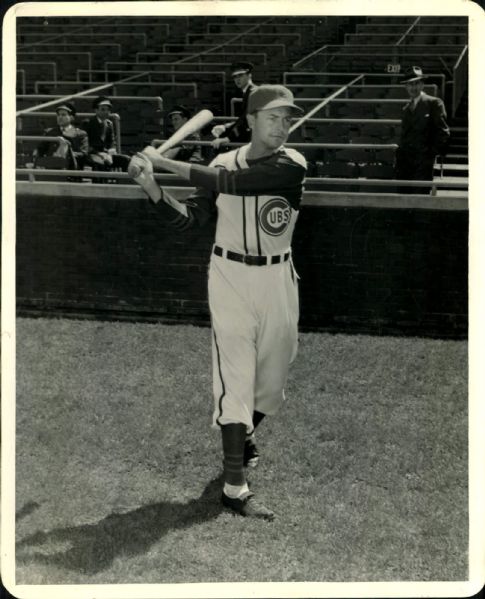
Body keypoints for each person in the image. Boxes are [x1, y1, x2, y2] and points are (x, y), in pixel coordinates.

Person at [130, 85, 307, 520]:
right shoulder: (219, 162)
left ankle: (242, 434)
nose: (282, 126)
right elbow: (190, 221)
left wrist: (163, 160)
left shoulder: (292, 164)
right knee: (235, 379)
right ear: (250, 120)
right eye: (273, 117)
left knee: (271, 386)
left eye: (287, 118)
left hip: (278, 276)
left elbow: (235, 183)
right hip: (229, 276)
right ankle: (234, 486)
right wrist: (152, 185)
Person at [394, 66, 450, 194]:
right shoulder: (406, 108)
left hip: (423, 161)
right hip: (406, 161)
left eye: (417, 83)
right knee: (404, 195)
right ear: (406, 87)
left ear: (422, 84)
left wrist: (430, 154)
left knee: (421, 196)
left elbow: (443, 132)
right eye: (410, 84)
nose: (413, 88)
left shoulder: (434, 103)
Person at [211, 62, 258, 151]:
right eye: (235, 77)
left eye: (240, 75)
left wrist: (228, 138)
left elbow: (245, 122)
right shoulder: (248, 92)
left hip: (256, 139)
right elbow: (243, 119)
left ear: (249, 75)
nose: (237, 79)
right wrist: (225, 127)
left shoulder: (253, 93)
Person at [82, 97, 131, 172]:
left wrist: (112, 149)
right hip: (92, 154)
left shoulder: (109, 124)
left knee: (126, 159)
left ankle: (122, 181)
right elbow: (86, 144)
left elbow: (112, 141)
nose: (106, 112)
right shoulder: (88, 123)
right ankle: (99, 183)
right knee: (99, 162)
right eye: (103, 109)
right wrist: (98, 153)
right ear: (96, 110)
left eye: (108, 109)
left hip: (106, 154)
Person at [34, 102, 88, 170]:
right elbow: (40, 149)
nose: (60, 117)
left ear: (71, 117)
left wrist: (68, 154)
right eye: (58, 115)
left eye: (63, 115)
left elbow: (84, 153)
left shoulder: (80, 134)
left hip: (70, 167)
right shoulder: (50, 132)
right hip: (50, 166)